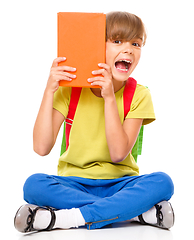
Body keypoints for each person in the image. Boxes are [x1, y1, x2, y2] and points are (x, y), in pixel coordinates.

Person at [14, 11, 174, 233]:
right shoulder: (70, 92)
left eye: (136, 44)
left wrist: (109, 98)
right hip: (73, 183)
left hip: (121, 184)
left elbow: (118, 154)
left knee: (162, 182)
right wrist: (49, 90)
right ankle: (134, 213)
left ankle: (65, 219)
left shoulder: (139, 94)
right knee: (34, 185)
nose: (128, 49)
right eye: (117, 41)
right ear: (97, 46)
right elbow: (41, 148)